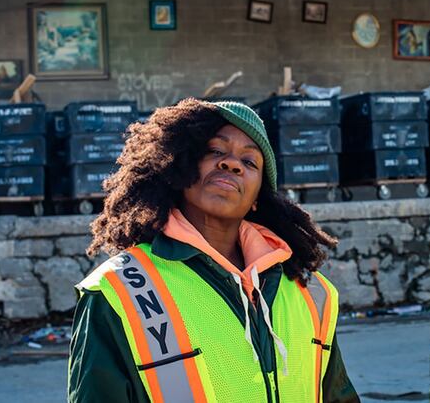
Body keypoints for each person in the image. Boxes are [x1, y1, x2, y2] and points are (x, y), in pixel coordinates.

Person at [69, 99, 359, 403]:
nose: (232, 163)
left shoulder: (311, 292)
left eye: (250, 162)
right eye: (215, 151)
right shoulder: (117, 291)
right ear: (178, 166)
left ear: (258, 197)